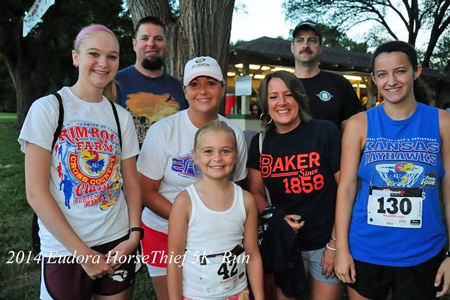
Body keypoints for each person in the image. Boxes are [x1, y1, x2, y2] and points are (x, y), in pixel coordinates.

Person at [18, 24, 142, 300]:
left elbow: (131, 184)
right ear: (76, 57)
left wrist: (133, 236)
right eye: (94, 54)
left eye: (112, 56)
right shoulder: (48, 108)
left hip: (116, 239)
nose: (103, 63)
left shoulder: (121, 117)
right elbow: (36, 194)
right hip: (65, 246)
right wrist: (83, 254)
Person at [334, 41, 450, 299]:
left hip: (423, 251)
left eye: (400, 71)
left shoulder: (442, 122)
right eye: (382, 74)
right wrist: (342, 248)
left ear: (416, 71)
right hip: (366, 248)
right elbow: (347, 188)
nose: (391, 81)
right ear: (374, 79)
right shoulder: (358, 125)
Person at [137, 56, 248, 300]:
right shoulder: (163, 130)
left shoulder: (234, 133)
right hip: (162, 230)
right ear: (184, 91)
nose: (203, 90)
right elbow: (146, 191)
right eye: (195, 84)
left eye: (211, 82)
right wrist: (191, 221)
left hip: (215, 235)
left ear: (222, 88)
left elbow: (236, 187)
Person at [247, 71, 343, 300]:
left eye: (288, 94)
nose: (281, 102)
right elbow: (256, 190)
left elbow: (346, 190)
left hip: (325, 243)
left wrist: (335, 243)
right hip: (285, 245)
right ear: (265, 103)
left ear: (299, 98)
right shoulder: (260, 143)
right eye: (273, 97)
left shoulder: (325, 131)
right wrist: (276, 218)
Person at [167, 120, 264, 300]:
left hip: (238, 294)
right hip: (196, 296)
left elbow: (253, 254)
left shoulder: (246, 200)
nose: (217, 158)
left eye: (225, 151)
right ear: (195, 157)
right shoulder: (185, 202)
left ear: (235, 156)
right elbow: (174, 260)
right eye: (208, 151)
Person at [115, 16, 188, 147]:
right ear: (134, 44)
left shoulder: (179, 89)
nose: (151, 43)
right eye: (144, 38)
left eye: (158, 39)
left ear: (167, 45)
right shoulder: (115, 83)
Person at [290, 21, 361, 129]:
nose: (305, 45)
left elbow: (353, 131)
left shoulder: (340, 85)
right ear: (292, 48)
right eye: (300, 40)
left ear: (321, 48)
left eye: (312, 40)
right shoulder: (281, 85)